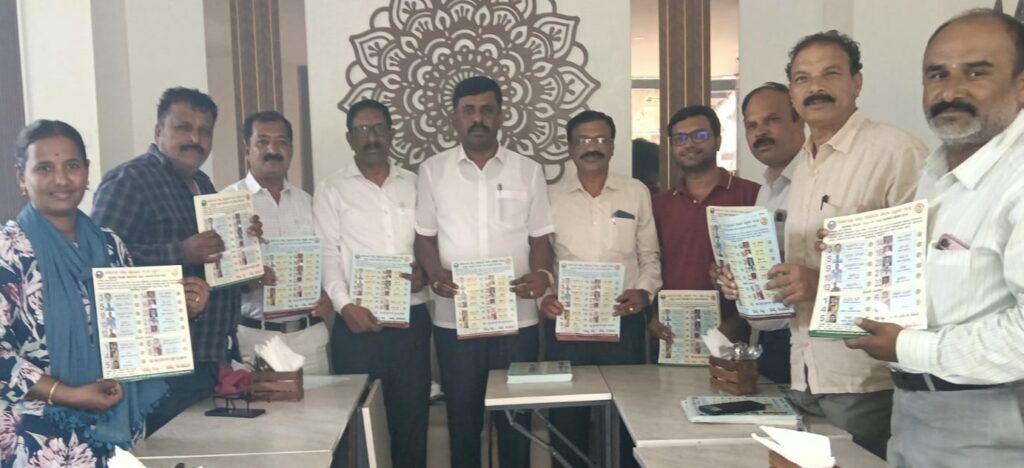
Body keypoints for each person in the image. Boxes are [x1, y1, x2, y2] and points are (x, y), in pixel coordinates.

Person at [721, 31, 927, 458]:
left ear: (857, 82)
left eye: (829, 74)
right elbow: (797, 276)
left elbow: (921, 272)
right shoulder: (804, 167)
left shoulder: (895, 151)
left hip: (864, 377)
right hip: (805, 371)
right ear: (793, 92)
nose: (815, 87)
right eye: (802, 78)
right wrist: (752, 284)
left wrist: (822, 283)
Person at [843, 9, 1024, 465]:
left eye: (976, 73)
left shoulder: (1017, 180)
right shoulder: (937, 172)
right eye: (937, 74)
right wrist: (858, 258)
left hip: (993, 424)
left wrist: (906, 346)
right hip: (915, 410)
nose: (950, 91)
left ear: (1021, 85)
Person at [0, 120, 209, 465]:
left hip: (107, 433)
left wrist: (179, 312)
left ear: (86, 171)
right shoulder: (9, 252)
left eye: (71, 166)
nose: (61, 179)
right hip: (34, 441)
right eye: (44, 168)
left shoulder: (110, 246)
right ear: (22, 178)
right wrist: (67, 394)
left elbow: (130, 336)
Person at [91, 87, 264, 435]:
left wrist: (243, 251)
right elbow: (100, 263)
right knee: (169, 452)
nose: (195, 139)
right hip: (161, 364)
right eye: (183, 127)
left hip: (207, 354)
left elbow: (210, 264)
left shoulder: (202, 183)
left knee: (204, 451)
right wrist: (180, 252)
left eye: (204, 131)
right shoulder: (131, 180)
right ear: (159, 131)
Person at [414, 76, 554, 468]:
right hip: (455, 320)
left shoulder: (528, 170)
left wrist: (541, 272)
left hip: (518, 320)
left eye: (487, 110)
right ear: (454, 118)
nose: (478, 119)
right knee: (463, 423)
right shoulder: (432, 171)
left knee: (516, 424)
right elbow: (424, 237)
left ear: (501, 115)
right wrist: (435, 273)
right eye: (469, 111)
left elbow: (540, 237)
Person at [314, 99, 431, 467]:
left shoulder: (415, 184)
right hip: (355, 326)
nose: (372, 137)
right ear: (350, 139)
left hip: (410, 323)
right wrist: (344, 306)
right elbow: (327, 255)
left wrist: (425, 274)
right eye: (362, 130)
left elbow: (430, 244)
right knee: (357, 432)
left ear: (391, 134)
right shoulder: (331, 189)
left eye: (379, 128)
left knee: (411, 425)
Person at [541, 111, 661, 467]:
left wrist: (644, 292)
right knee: (568, 420)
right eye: (583, 140)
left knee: (626, 415)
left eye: (600, 139)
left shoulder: (635, 192)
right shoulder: (550, 197)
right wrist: (546, 296)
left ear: (612, 145)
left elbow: (650, 256)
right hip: (567, 325)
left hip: (623, 322)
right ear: (570, 148)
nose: (591, 147)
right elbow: (543, 259)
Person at [223, 111, 332, 375]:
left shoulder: (309, 202)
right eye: (262, 142)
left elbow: (329, 258)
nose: (272, 149)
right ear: (247, 149)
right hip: (256, 339)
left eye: (281, 141)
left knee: (321, 403)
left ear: (291, 149)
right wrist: (248, 280)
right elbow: (215, 278)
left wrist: (328, 296)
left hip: (309, 335)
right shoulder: (226, 202)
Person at [648, 105, 760, 350]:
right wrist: (652, 316)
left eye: (699, 135)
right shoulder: (658, 205)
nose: (689, 144)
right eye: (679, 138)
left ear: (717, 141)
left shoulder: (752, 196)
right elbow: (649, 264)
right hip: (671, 333)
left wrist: (739, 321)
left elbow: (763, 269)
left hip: (733, 335)